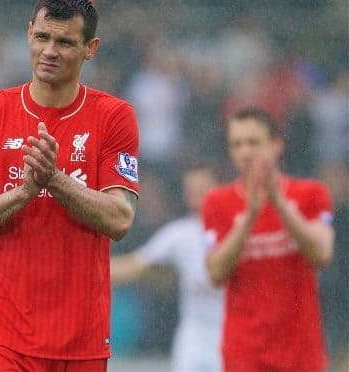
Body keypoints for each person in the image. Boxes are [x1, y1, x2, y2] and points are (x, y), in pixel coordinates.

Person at [0, 0, 139, 371]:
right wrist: (23, 193)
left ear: (90, 48)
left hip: (81, 340)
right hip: (2, 336)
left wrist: (56, 180)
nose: (49, 51)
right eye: (42, 37)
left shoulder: (114, 117)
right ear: (28, 33)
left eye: (65, 42)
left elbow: (120, 219)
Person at [202, 106, 335, 372]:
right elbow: (215, 273)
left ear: (276, 145)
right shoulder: (217, 202)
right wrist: (249, 217)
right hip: (244, 354)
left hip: (301, 352)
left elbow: (322, 253)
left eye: (254, 142)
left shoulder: (311, 194)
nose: (246, 152)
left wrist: (279, 204)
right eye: (237, 144)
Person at [111, 165, 224, 372]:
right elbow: (133, 266)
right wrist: (80, 271)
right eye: (191, 191)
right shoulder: (181, 234)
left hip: (232, 337)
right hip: (194, 341)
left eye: (202, 189)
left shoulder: (240, 228)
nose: (197, 196)